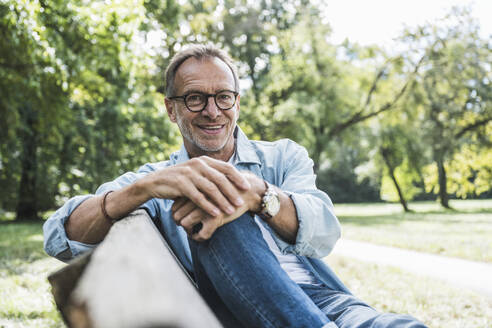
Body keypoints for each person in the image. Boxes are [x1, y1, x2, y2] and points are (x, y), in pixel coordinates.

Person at [44, 44, 426, 328]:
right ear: (171, 108)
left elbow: (324, 230)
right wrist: (141, 189)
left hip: (328, 303)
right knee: (215, 205)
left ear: (237, 103)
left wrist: (260, 195)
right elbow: (59, 236)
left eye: (223, 97)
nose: (212, 111)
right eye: (195, 98)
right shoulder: (160, 180)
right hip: (242, 313)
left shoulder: (283, 157)